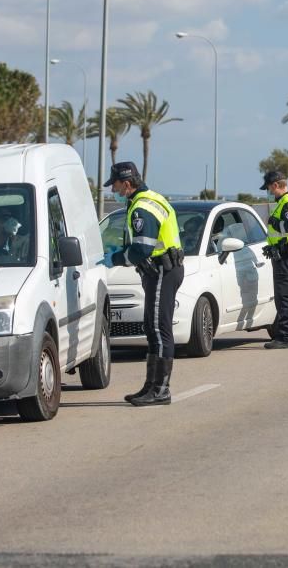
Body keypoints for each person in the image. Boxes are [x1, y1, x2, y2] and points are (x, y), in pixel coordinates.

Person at [105, 162, 185, 405]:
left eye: (117, 186)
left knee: (159, 330)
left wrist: (118, 258)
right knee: (152, 328)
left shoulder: (142, 208)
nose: (115, 192)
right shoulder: (151, 198)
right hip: (160, 270)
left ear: (127, 184)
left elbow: (143, 247)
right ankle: (151, 386)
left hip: (163, 270)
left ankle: (160, 390)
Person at [261, 170, 288, 349]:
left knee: (284, 297)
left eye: (270, 188)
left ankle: (286, 337)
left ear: (276, 185)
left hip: (286, 253)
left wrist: (273, 222)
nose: (270, 192)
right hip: (285, 252)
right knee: (284, 296)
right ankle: (285, 335)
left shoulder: (287, 202)